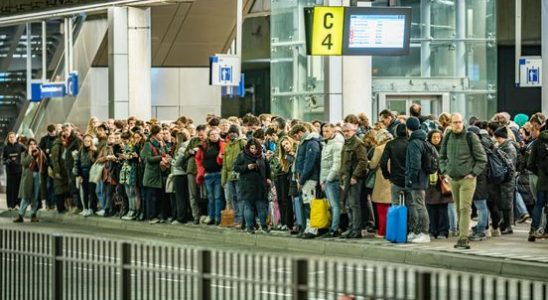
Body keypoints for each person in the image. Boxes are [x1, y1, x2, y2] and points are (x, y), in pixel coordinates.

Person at [440, 113, 487, 249]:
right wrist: (445, 171)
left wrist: (473, 173)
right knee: (458, 208)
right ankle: (462, 234)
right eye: (455, 122)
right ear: (450, 124)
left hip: (467, 178)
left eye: (460, 122)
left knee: (464, 208)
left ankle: (463, 238)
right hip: (453, 178)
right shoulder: (448, 136)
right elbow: (442, 156)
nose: (458, 125)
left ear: (463, 122)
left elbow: (482, 158)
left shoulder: (470, 136)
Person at [290, 124, 322, 238]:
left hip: (310, 178)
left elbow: (309, 163)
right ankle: (307, 228)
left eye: (295, 136)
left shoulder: (311, 142)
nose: (295, 139)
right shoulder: (306, 142)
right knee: (307, 204)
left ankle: (312, 229)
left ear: (299, 132)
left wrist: (302, 179)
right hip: (305, 178)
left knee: (310, 204)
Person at [233, 138, 271, 234]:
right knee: (248, 207)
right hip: (247, 186)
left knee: (261, 207)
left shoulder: (262, 156)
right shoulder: (242, 155)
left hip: (260, 186)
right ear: (248, 147)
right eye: (252, 148)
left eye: (255, 148)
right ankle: (249, 227)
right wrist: (246, 167)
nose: (254, 150)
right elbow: (236, 167)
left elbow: (267, 169)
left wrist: (268, 178)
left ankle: (264, 226)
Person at [404, 117, 431, 244]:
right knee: (418, 205)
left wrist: (410, 179)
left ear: (407, 127)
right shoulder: (421, 139)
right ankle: (417, 232)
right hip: (421, 178)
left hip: (417, 180)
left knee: (419, 206)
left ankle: (424, 233)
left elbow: (415, 164)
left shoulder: (414, 142)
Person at [339, 123, 368, 239]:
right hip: (346, 177)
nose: (346, 133)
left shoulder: (358, 144)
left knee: (354, 205)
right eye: (344, 131)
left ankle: (356, 229)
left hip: (354, 178)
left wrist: (355, 176)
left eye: (348, 131)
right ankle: (351, 228)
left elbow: (363, 162)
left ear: (353, 131)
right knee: (348, 205)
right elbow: (343, 163)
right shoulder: (346, 144)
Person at [424, 129, 451, 239]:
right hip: (430, 182)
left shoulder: (445, 150)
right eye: (434, 137)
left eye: (438, 137)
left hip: (442, 181)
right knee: (431, 207)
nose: (436, 139)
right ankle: (432, 230)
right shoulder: (426, 149)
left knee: (442, 208)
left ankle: (443, 231)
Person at [195, 127, 225, 225]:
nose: (214, 136)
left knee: (217, 197)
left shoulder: (222, 145)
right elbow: (198, 159)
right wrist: (201, 172)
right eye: (212, 134)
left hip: (218, 174)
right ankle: (211, 216)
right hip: (207, 174)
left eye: (216, 134)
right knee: (210, 197)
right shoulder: (204, 146)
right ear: (208, 136)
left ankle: (217, 218)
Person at [319, 123, 344, 237]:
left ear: (333, 131)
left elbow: (336, 165)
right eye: (323, 131)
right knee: (331, 205)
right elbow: (323, 164)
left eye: (327, 131)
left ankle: (334, 228)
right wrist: (322, 180)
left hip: (332, 180)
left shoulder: (336, 144)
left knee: (335, 205)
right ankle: (332, 227)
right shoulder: (326, 143)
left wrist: (327, 179)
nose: (325, 133)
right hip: (326, 179)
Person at [141, 125, 168, 224]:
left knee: (158, 197)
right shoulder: (148, 144)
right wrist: (161, 158)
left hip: (159, 174)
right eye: (161, 133)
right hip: (151, 175)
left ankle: (158, 215)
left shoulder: (160, 144)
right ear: (155, 134)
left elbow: (163, 155)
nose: (162, 135)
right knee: (151, 198)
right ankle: (151, 217)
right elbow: (148, 159)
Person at [13, 139, 45, 223]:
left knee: (35, 196)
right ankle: (20, 215)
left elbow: (45, 163)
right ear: (27, 146)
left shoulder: (40, 153)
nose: (32, 146)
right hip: (28, 176)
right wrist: (30, 154)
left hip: (37, 175)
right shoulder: (24, 154)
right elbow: (24, 163)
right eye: (30, 144)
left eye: (34, 144)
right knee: (25, 196)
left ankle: (33, 215)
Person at [368, 129, 393, 238]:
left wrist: (368, 163)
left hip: (382, 179)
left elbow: (373, 165)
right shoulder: (394, 145)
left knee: (382, 208)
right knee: (392, 207)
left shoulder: (379, 149)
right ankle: (392, 230)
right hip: (394, 179)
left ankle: (382, 232)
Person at [493, 127, 517, 234]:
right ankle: (505, 224)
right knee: (503, 202)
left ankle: (508, 226)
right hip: (505, 179)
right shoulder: (505, 147)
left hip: (507, 180)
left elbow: (508, 165)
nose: (497, 140)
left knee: (506, 202)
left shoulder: (508, 148)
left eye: (497, 138)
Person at [526, 119, 548, 242]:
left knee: (539, 205)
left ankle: (533, 230)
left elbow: (530, 164)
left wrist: (539, 173)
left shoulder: (538, 141)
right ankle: (546, 230)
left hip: (541, 181)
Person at [221, 125, 247, 227]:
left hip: (239, 175)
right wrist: (223, 178)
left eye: (234, 132)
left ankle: (242, 220)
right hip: (229, 176)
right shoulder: (228, 145)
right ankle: (236, 220)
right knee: (233, 198)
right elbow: (224, 164)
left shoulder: (242, 142)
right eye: (230, 132)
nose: (232, 134)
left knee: (240, 197)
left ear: (237, 133)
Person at [380, 124, 409, 204]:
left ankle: (398, 217)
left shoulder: (390, 144)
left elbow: (383, 162)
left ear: (396, 132)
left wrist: (387, 175)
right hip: (410, 179)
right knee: (411, 205)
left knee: (395, 204)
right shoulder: (411, 143)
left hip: (396, 179)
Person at [74, 134, 98, 217]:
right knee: (84, 192)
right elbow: (77, 163)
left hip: (91, 172)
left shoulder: (94, 151)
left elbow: (95, 162)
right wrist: (78, 174)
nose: (87, 142)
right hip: (83, 172)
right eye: (85, 141)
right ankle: (85, 208)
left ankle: (92, 208)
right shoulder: (81, 150)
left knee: (92, 191)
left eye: (89, 141)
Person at [2, 132, 25, 210]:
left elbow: (27, 152)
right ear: (8, 139)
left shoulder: (20, 146)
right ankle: (10, 205)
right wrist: (7, 161)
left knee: (18, 188)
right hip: (10, 170)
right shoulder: (6, 147)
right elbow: (3, 159)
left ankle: (17, 204)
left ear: (16, 138)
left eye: (13, 137)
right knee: (10, 188)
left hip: (19, 169)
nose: (12, 138)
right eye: (10, 137)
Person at [39, 124, 58, 210]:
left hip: (56, 165)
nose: (52, 133)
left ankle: (54, 202)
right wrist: (45, 151)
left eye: (53, 131)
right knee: (49, 185)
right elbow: (40, 150)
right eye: (51, 132)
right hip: (47, 165)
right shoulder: (44, 139)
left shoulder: (58, 138)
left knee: (55, 185)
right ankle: (50, 203)